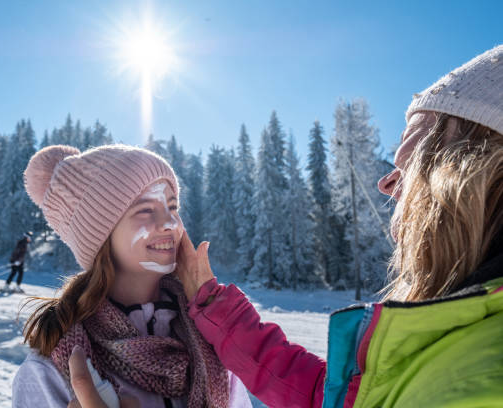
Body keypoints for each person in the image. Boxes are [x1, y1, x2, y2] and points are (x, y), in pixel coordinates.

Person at [175, 45, 503, 407]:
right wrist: (214, 306)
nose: (386, 184)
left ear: (469, 174)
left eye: (410, 161)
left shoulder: (480, 378)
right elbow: (329, 395)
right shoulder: (458, 337)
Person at [12, 144, 252, 408]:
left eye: (172, 208)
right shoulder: (52, 367)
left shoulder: (210, 345)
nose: (170, 223)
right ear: (100, 236)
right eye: (145, 210)